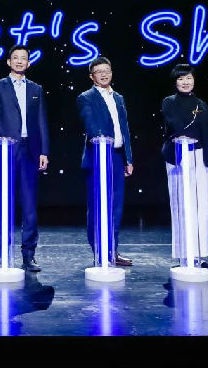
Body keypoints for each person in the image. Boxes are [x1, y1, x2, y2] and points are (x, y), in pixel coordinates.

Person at [0, 45, 50, 271]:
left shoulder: (36, 88)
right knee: (5, 203)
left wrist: (44, 151)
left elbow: (42, 120)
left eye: (24, 58)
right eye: (16, 57)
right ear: (8, 61)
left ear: (29, 63)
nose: (20, 61)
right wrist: (3, 142)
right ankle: (4, 253)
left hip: (29, 151)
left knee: (29, 204)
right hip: (6, 149)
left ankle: (29, 255)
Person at [76, 56, 134, 266]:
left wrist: (128, 158)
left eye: (106, 70)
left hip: (117, 157)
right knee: (98, 205)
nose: (103, 74)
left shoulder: (118, 98)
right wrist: (101, 140)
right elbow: (90, 125)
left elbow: (124, 130)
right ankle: (99, 251)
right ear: (92, 76)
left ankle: (112, 250)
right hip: (98, 156)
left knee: (116, 206)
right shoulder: (86, 97)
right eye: (99, 71)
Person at [161, 64, 208, 267]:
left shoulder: (201, 104)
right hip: (178, 156)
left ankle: (199, 254)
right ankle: (183, 253)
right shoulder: (169, 101)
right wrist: (189, 132)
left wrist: (199, 134)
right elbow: (175, 124)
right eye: (181, 79)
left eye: (189, 78)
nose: (185, 82)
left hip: (199, 155)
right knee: (180, 204)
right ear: (175, 81)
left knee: (199, 205)